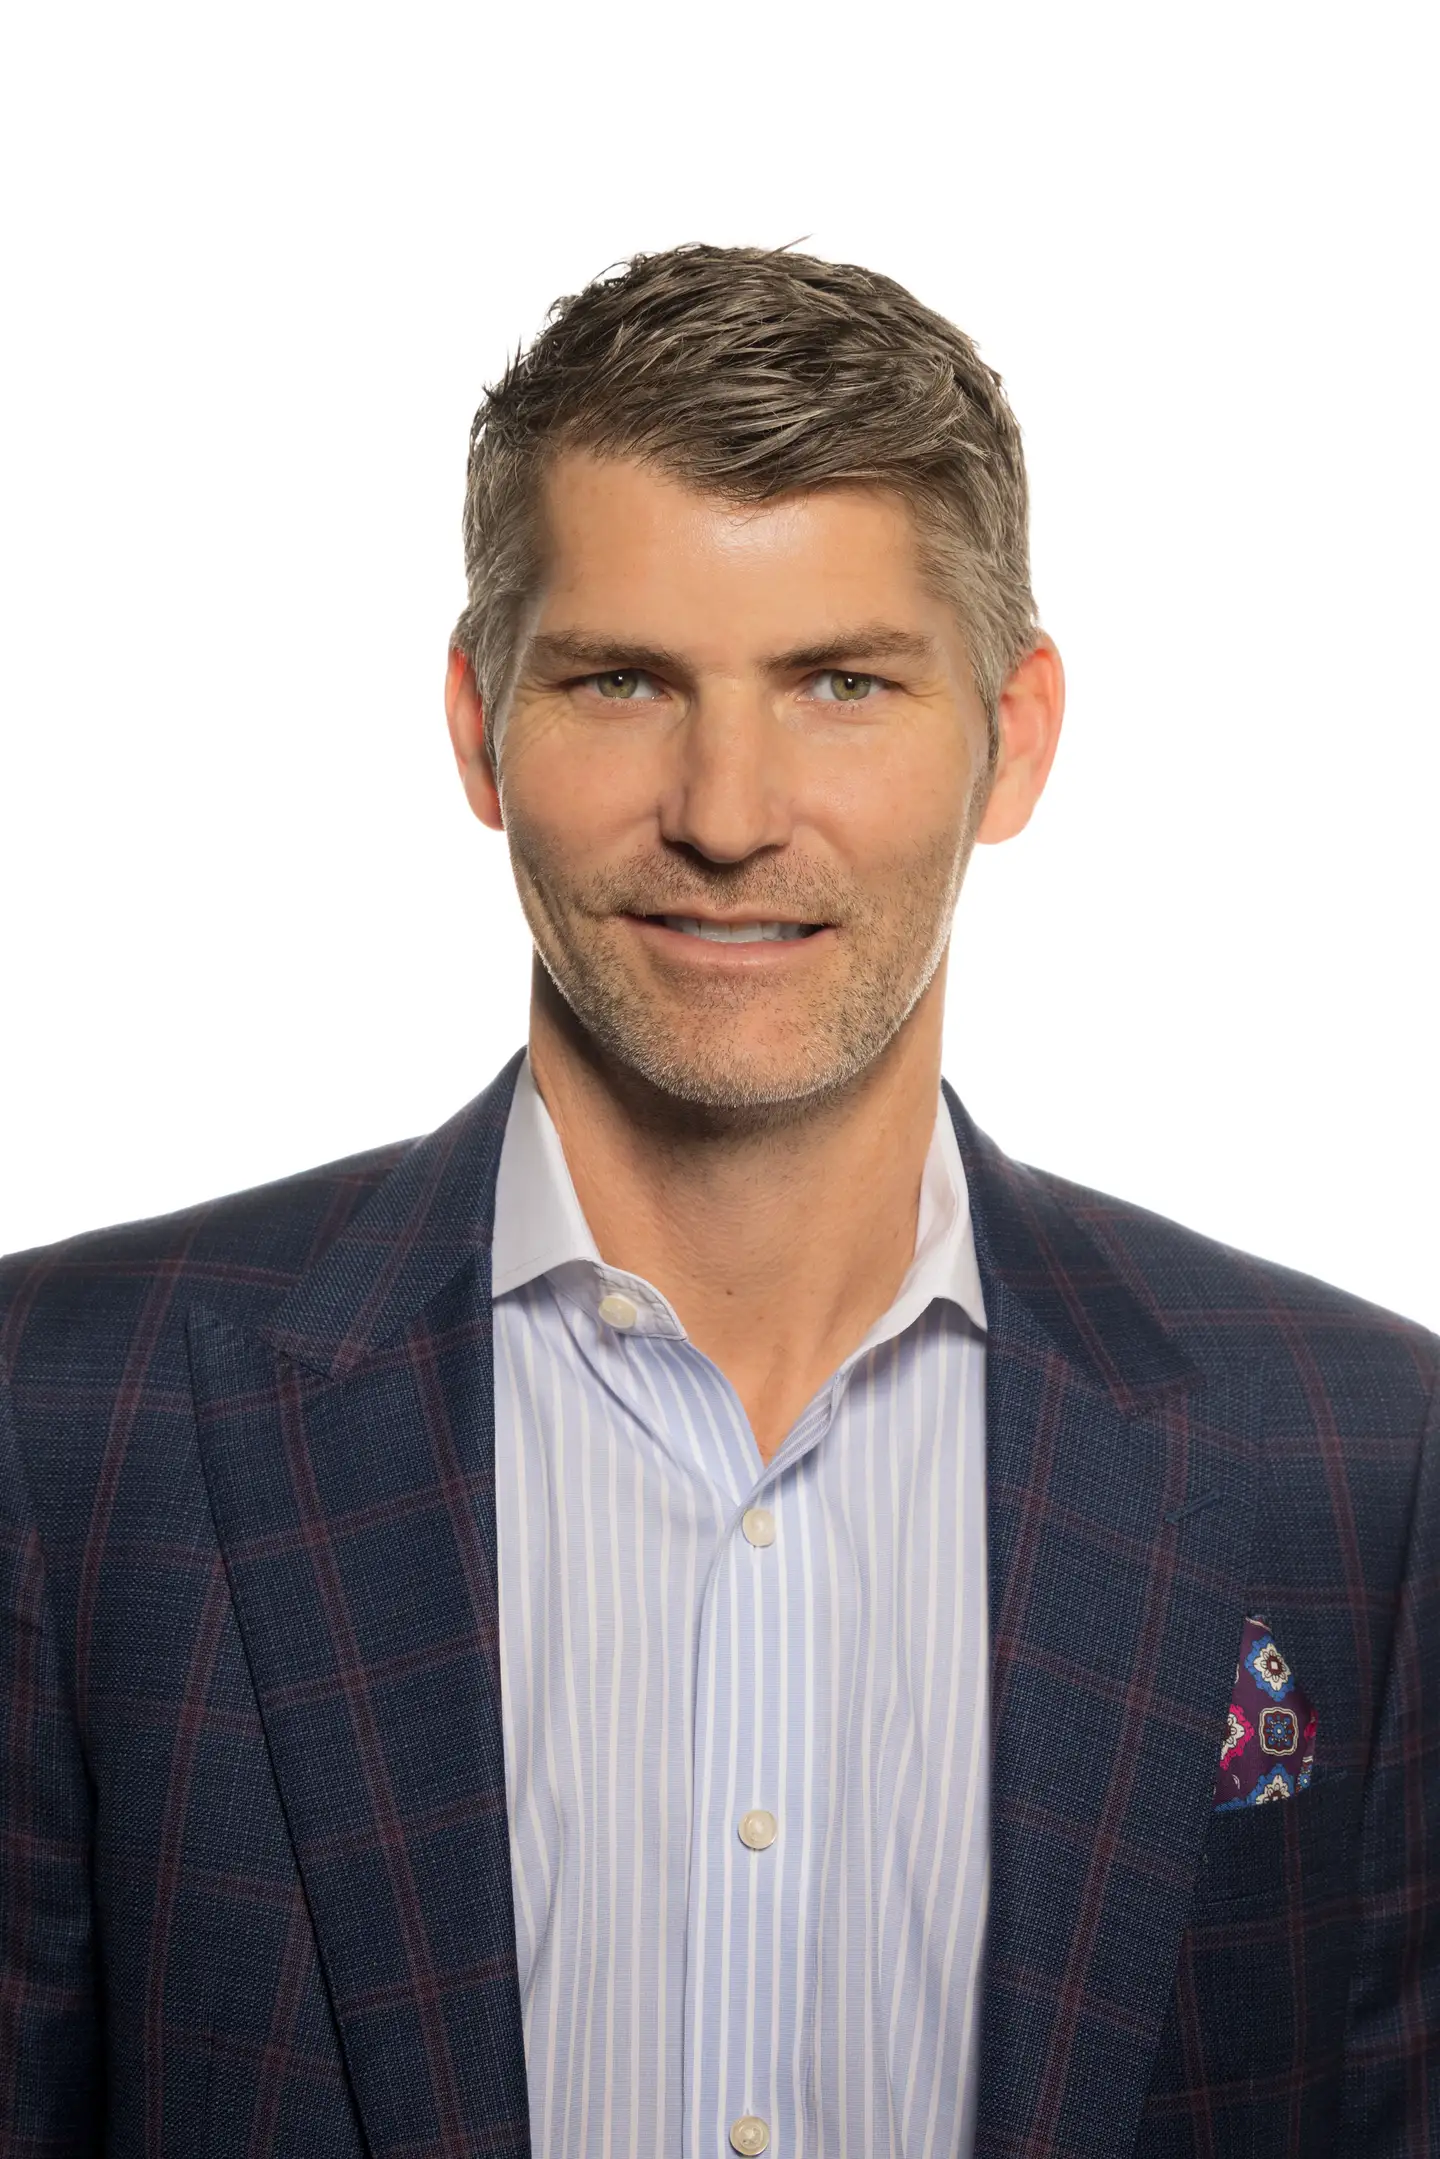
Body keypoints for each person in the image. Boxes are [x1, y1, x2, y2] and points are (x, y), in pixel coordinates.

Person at [0, 244, 1434, 2159]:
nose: (731, 808)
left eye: (843, 680)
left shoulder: (1355, 1459)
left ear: (1012, 739)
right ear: (475, 726)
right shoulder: (65, 1427)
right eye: (621, 680)